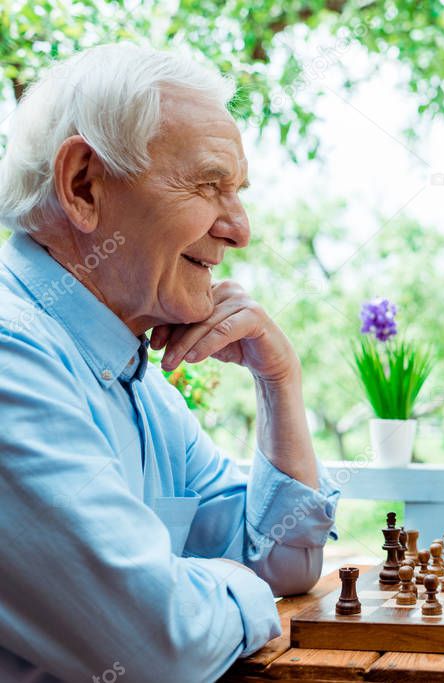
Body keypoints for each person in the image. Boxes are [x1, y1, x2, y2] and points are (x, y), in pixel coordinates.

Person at [0, 44, 341, 681]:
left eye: (236, 193)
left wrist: (278, 383)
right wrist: (229, 584)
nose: (240, 229)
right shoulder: (11, 357)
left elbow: (284, 562)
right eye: (209, 186)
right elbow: (159, 648)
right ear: (83, 185)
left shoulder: (130, 373)